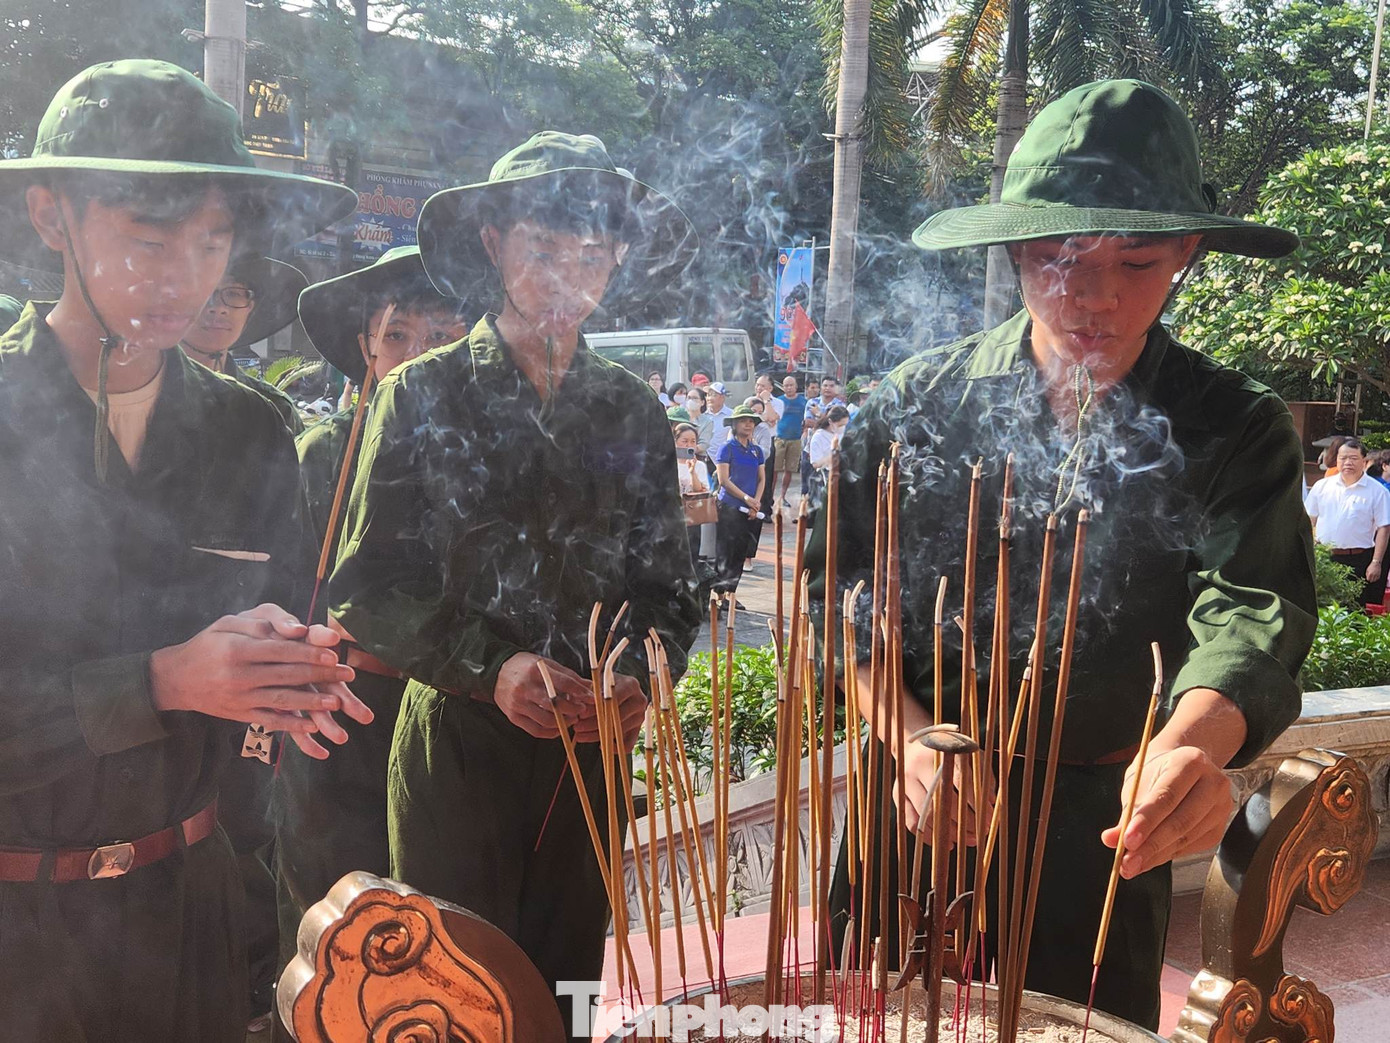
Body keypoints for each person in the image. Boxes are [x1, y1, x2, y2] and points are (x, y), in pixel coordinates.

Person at [812, 79, 1316, 1030]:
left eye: (1136, 261)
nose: (1091, 296)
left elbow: (1252, 608)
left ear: (1188, 254)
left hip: (1101, 826)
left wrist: (1188, 748)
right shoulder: (917, 405)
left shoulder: (1232, 424)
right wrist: (911, 732)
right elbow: (841, 599)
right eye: (1057, 258)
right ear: (1013, 252)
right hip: (916, 801)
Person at [0, 59, 368, 1041]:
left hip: (193, 919)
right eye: (148, 238)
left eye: (212, 243)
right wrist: (162, 677)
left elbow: (260, 703)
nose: (183, 279)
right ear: (51, 216)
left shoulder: (250, 430)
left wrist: (296, 678)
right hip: (18, 943)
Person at [327, 131, 701, 1035]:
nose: (569, 273)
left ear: (616, 259)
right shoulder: (419, 394)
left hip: (589, 752)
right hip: (457, 744)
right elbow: (364, 585)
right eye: (545, 246)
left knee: (565, 987)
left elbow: (669, 593)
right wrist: (490, 665)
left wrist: (637, 677)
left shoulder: (633, 408)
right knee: (450, 994)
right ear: (493, 243)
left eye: (591, 252)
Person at [276, 245, 470, 971]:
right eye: (398, 338)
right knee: (336, 936)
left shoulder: (488, 458)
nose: (418, 361)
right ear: (365, 345)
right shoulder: (321, 451)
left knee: (442, 943)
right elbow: (282, 592)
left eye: (441, 339)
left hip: (454, 718)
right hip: (341, 714)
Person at [181, 253, 307, 433]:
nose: (219, 307)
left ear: (250, 307)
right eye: (202, 292)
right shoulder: (139, 396)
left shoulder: (275, 409)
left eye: (233, 293)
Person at [1306, 438, 1390, 607]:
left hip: (1359, 559)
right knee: (1321, 608)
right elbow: (1309, 520)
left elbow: (1384, 528)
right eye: (1343, 458)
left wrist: (1376, 562)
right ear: (1336, 459)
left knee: (1353, 609)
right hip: (1325, 557)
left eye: (1353, 458)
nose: (1347, 462)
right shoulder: (1322, 486)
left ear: (1364, 460)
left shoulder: (1377, 491)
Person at [713, 403, 766, 601]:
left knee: (740, 552)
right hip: (729, 506)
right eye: (743, 421)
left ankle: (732, 594)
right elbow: (723, 480)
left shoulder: (756, 451)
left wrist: (756, 502)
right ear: (734, 425)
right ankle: (719, 597)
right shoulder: (727, 448)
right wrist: (745, 498)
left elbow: (762, 478)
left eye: (751, 421)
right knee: (726, 551)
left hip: (750, 508)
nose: (748, 424)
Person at [744, 395, 776, 569]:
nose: (754, 417)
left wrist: (752, 444)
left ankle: (748, 557)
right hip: (737, 480)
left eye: (759, 412)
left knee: (754, 517)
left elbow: (765, 453)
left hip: (756, 478)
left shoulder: (763, 430)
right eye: (752, 411)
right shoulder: (735, 430)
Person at [675, 421, 710, 563]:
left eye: (693, 441)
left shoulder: (700, 465)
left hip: (692, 516)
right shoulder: (669, 462)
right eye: (684, 441)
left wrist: (692, 472)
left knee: (691, 553)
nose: (689, 445)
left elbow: (699, 490)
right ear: (675, 442)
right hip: (673, 515)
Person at [773, 373, 808, 506]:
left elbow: (806, 419)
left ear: (796, 386)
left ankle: (782, 496)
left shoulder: (803, 402)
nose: (788, 388)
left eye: (791, 385)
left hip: (796, 439)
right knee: (774, 470)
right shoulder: (778, 401)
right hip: (779, 438)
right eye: (786, 385)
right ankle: (770, 496)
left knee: (790, 470)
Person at [806, 403, 849, 503]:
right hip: (826, 476)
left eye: (845, 425)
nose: (842, 428)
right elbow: (815, 463)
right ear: (830, 421)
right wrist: (833, 455)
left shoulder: (842, 434)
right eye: (840, 425)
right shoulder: (818, 437)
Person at [706, 380, 734, 457]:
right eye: (708, 395)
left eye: (714, 395)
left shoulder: (732, 415)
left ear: (722, 397)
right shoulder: (702, 415)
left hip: (723, 459)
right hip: (704, 458)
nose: (709, 398)